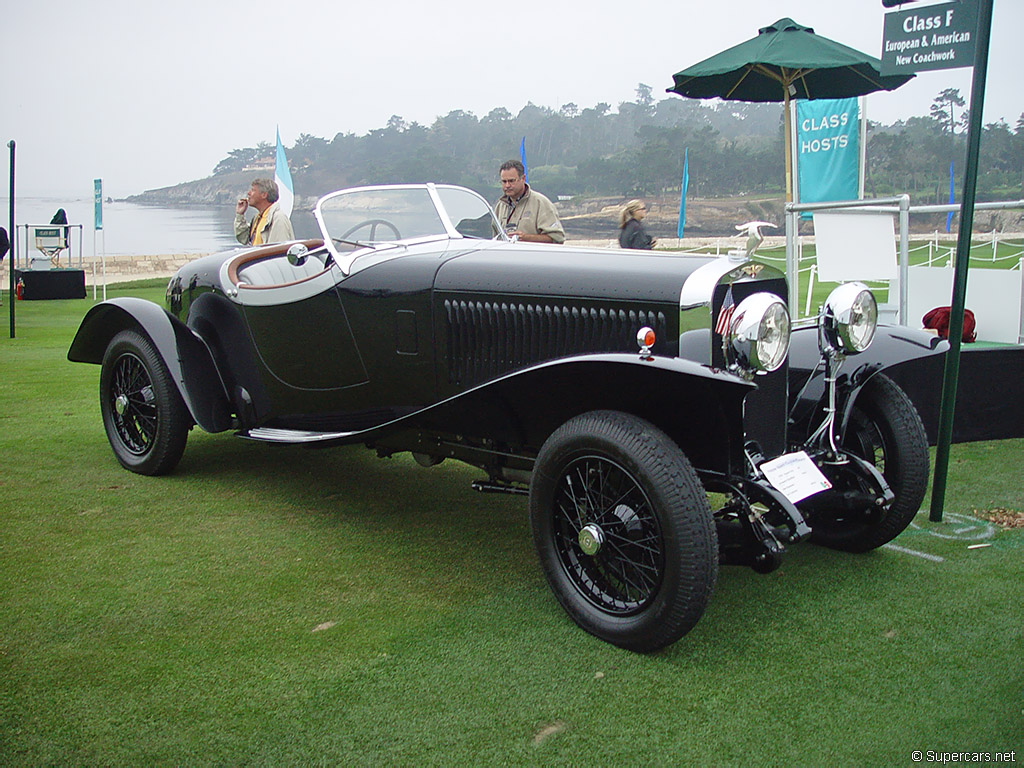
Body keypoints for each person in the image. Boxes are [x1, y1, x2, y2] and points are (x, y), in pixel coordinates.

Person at [493, 160, 565, 244]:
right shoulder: (500, 206)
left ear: (523, 178)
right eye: (504, 182)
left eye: (511, 181)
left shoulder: (541, 203)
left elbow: (558, 238)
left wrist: (525, 238)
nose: (507, 185)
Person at [234, 178, 294, 246]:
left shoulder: (278, 219)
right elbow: (244, 238)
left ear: (264, 195)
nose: (249, 193)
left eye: (253, 190)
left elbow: (280, 251)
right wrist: (240, 215)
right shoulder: (258, 217)